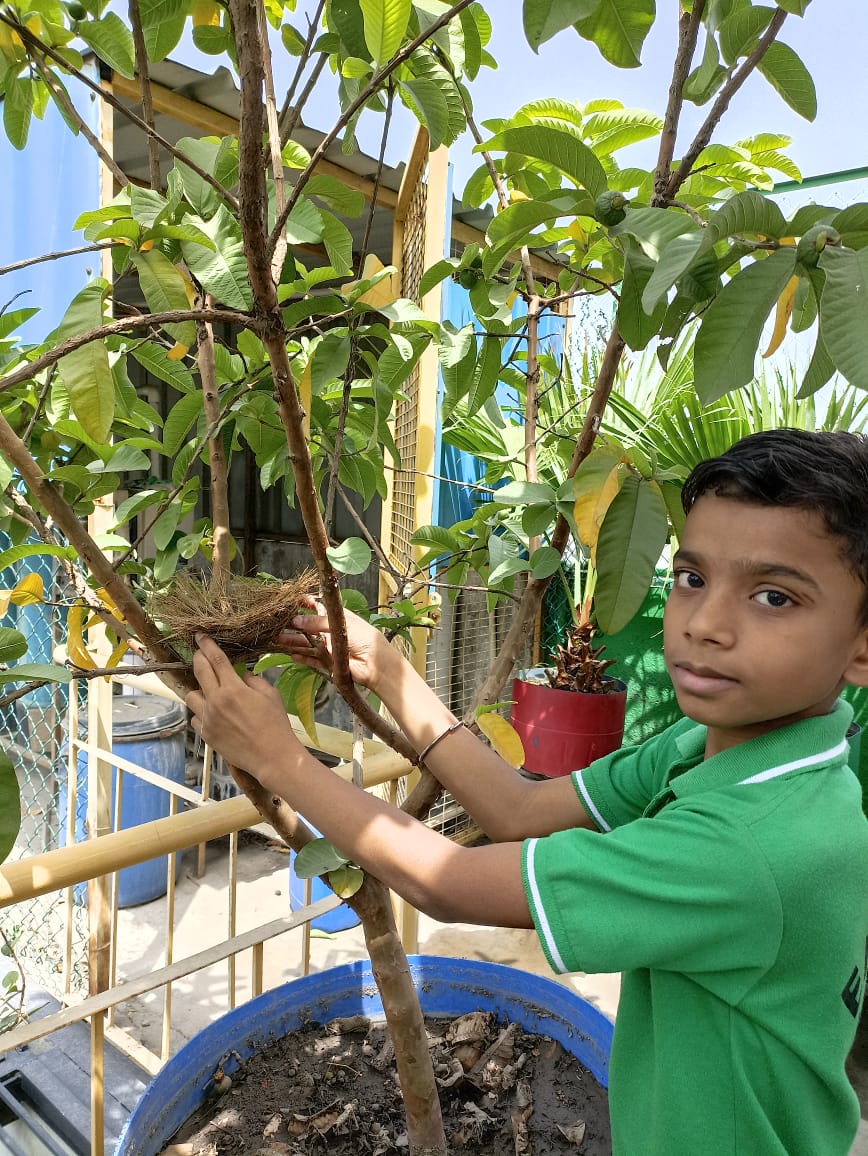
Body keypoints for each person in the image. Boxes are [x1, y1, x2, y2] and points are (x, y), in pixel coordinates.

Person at [186, 428, 868, 1155]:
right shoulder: (712, 744)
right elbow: (519, 810)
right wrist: (387, 670)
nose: (704, 625)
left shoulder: (752, 844)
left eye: (773, 597)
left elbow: (449, 884)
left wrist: (282, 762)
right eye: (692, 578)